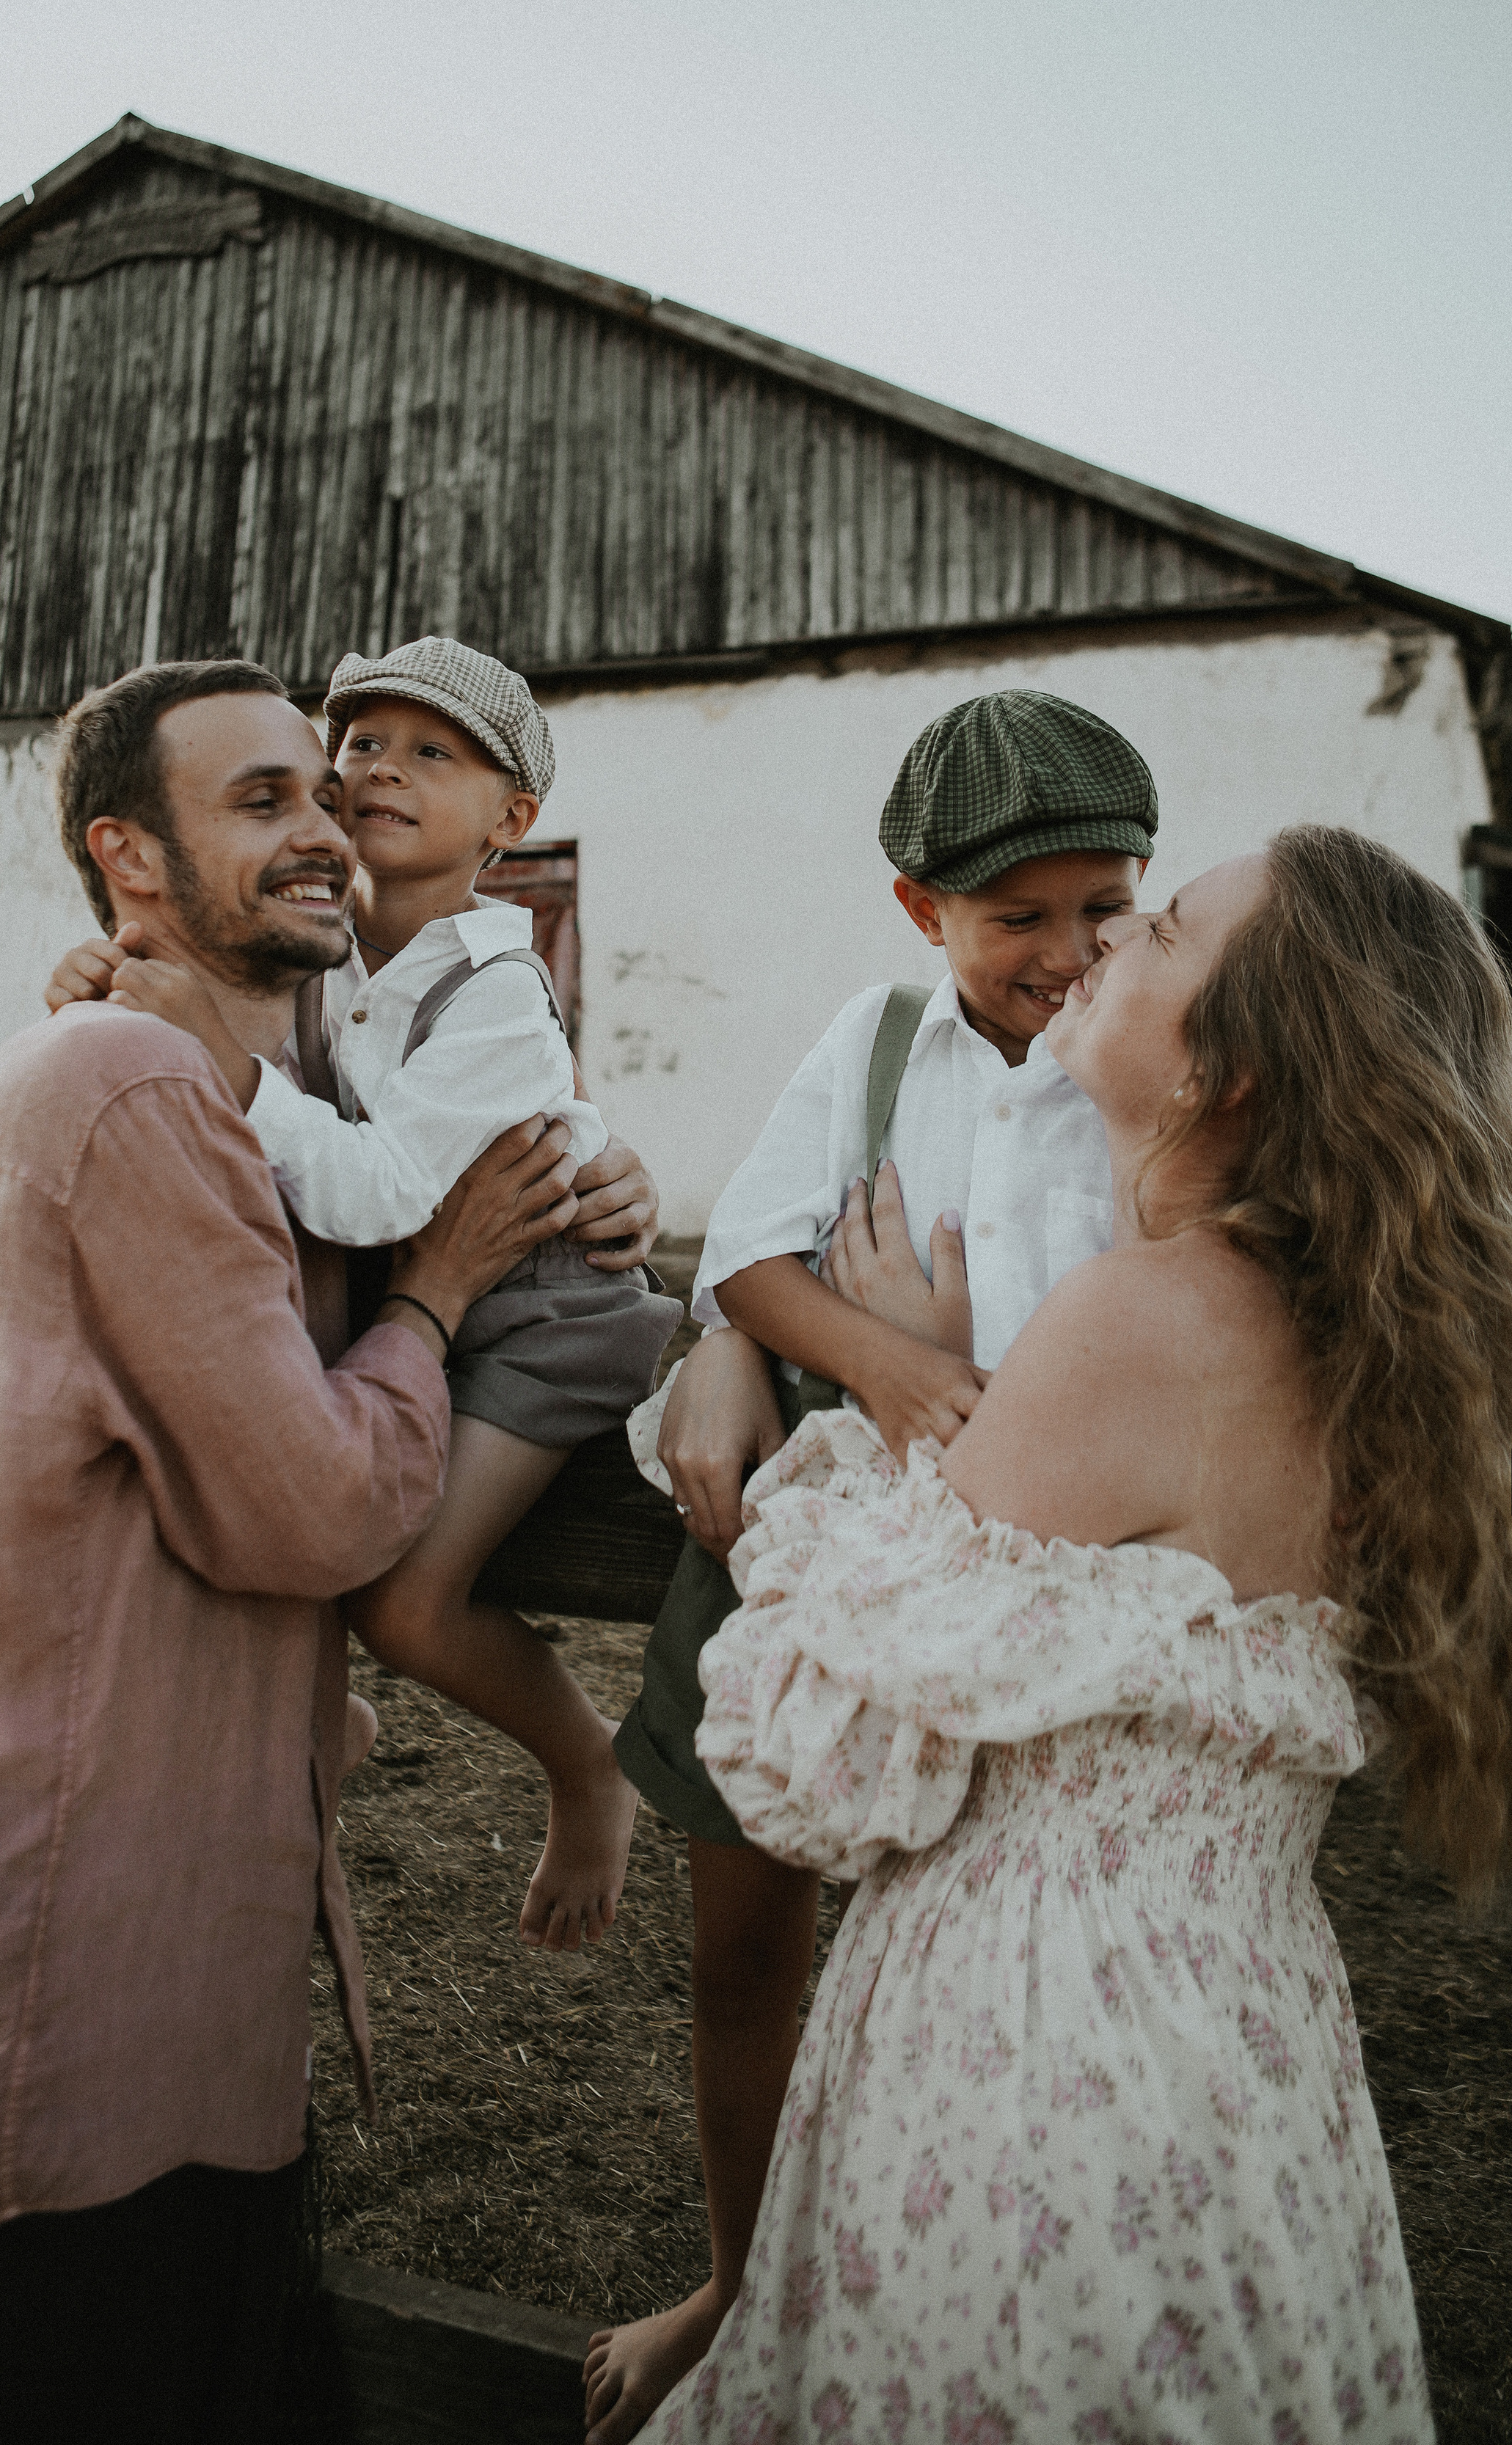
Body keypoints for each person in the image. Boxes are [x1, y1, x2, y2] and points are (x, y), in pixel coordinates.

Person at [0, 661, 596, 2445]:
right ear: (130, 859)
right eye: (262, 802)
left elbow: (387, 1166)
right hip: (58, 1975)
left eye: (323, 793)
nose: (326, 826)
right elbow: (320, 1505)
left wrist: (578, 1190)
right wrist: (449, 1286)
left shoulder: (216, 1078)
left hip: (147, 1960)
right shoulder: (135, 1086)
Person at [650, 825, 1512, 2441]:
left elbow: (823, 1755)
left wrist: (898, 1417)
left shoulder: (1144, 1318)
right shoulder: (1348, 1337)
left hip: (1042, 2059)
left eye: (1157, 930)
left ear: (1223, 1072)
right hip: (1240, 2045)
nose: (1102, 947)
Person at [588, 688, 1158, 2438]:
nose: (1068, 956)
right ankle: (742, 2277)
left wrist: (958, 1363)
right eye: (1016, 919)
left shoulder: (1159, 1069)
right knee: (744, 1947)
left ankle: (965, 2334)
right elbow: (749, 1253)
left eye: (1104, 908)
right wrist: (871, 1358)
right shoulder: (879, 1040)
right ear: (921, 911)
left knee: (986, 1982)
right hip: (810, 1539)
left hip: (1033, 1582)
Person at [48, 637, 678, 1954]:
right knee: (306, 1469)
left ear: (511, 822)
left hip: (552, 1314)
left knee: (405, 1598)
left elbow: (386, 1191)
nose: (378, 766)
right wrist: (103, 971)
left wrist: (222, 1066)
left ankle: (588, 1764)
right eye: (363, 743)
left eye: (430, 753)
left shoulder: (496, 986)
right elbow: (212, 980)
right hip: (459, 1298)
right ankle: (318, 1719)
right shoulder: (334, 955)